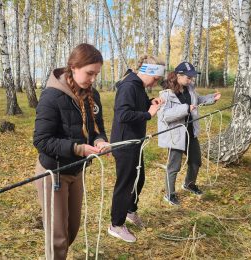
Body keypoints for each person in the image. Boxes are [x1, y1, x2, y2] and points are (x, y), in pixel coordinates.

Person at [33, 43, 109, 259]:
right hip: (53, 172)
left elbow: (97, 128)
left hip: (77, 170)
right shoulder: (51, 96)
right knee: (57, 236)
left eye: (96, 74)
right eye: (89, 73)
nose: (93, 79)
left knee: (72, 228)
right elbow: (41, 140)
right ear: (74, 67)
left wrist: (101, 141)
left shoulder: (92, 95)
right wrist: (78, 148)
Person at [108, 55, 165, 243]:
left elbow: (136, 106)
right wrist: (148, 114)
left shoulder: (138, 86)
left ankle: (130, 211)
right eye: (155, 78)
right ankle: (116, 225)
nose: (156, 82)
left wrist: (150, 102)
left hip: (135, 141)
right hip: (124, 144)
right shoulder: (129, 86)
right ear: (148, 71)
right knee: (125, 184)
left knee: (139, 179)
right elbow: (123, 114)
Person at [158, 61, 221, 206]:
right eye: (188, 77)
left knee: (195, 161)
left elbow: (199, 100)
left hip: (191, 132)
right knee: (174, 166)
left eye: (192, 77)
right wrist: (186, 109)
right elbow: (164, 116)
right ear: (179, 76)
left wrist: (212, 98)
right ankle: (170, 194)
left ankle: (189, 184)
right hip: (176, 135)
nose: (191, 80)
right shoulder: (166, 94)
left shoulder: (190, 89)